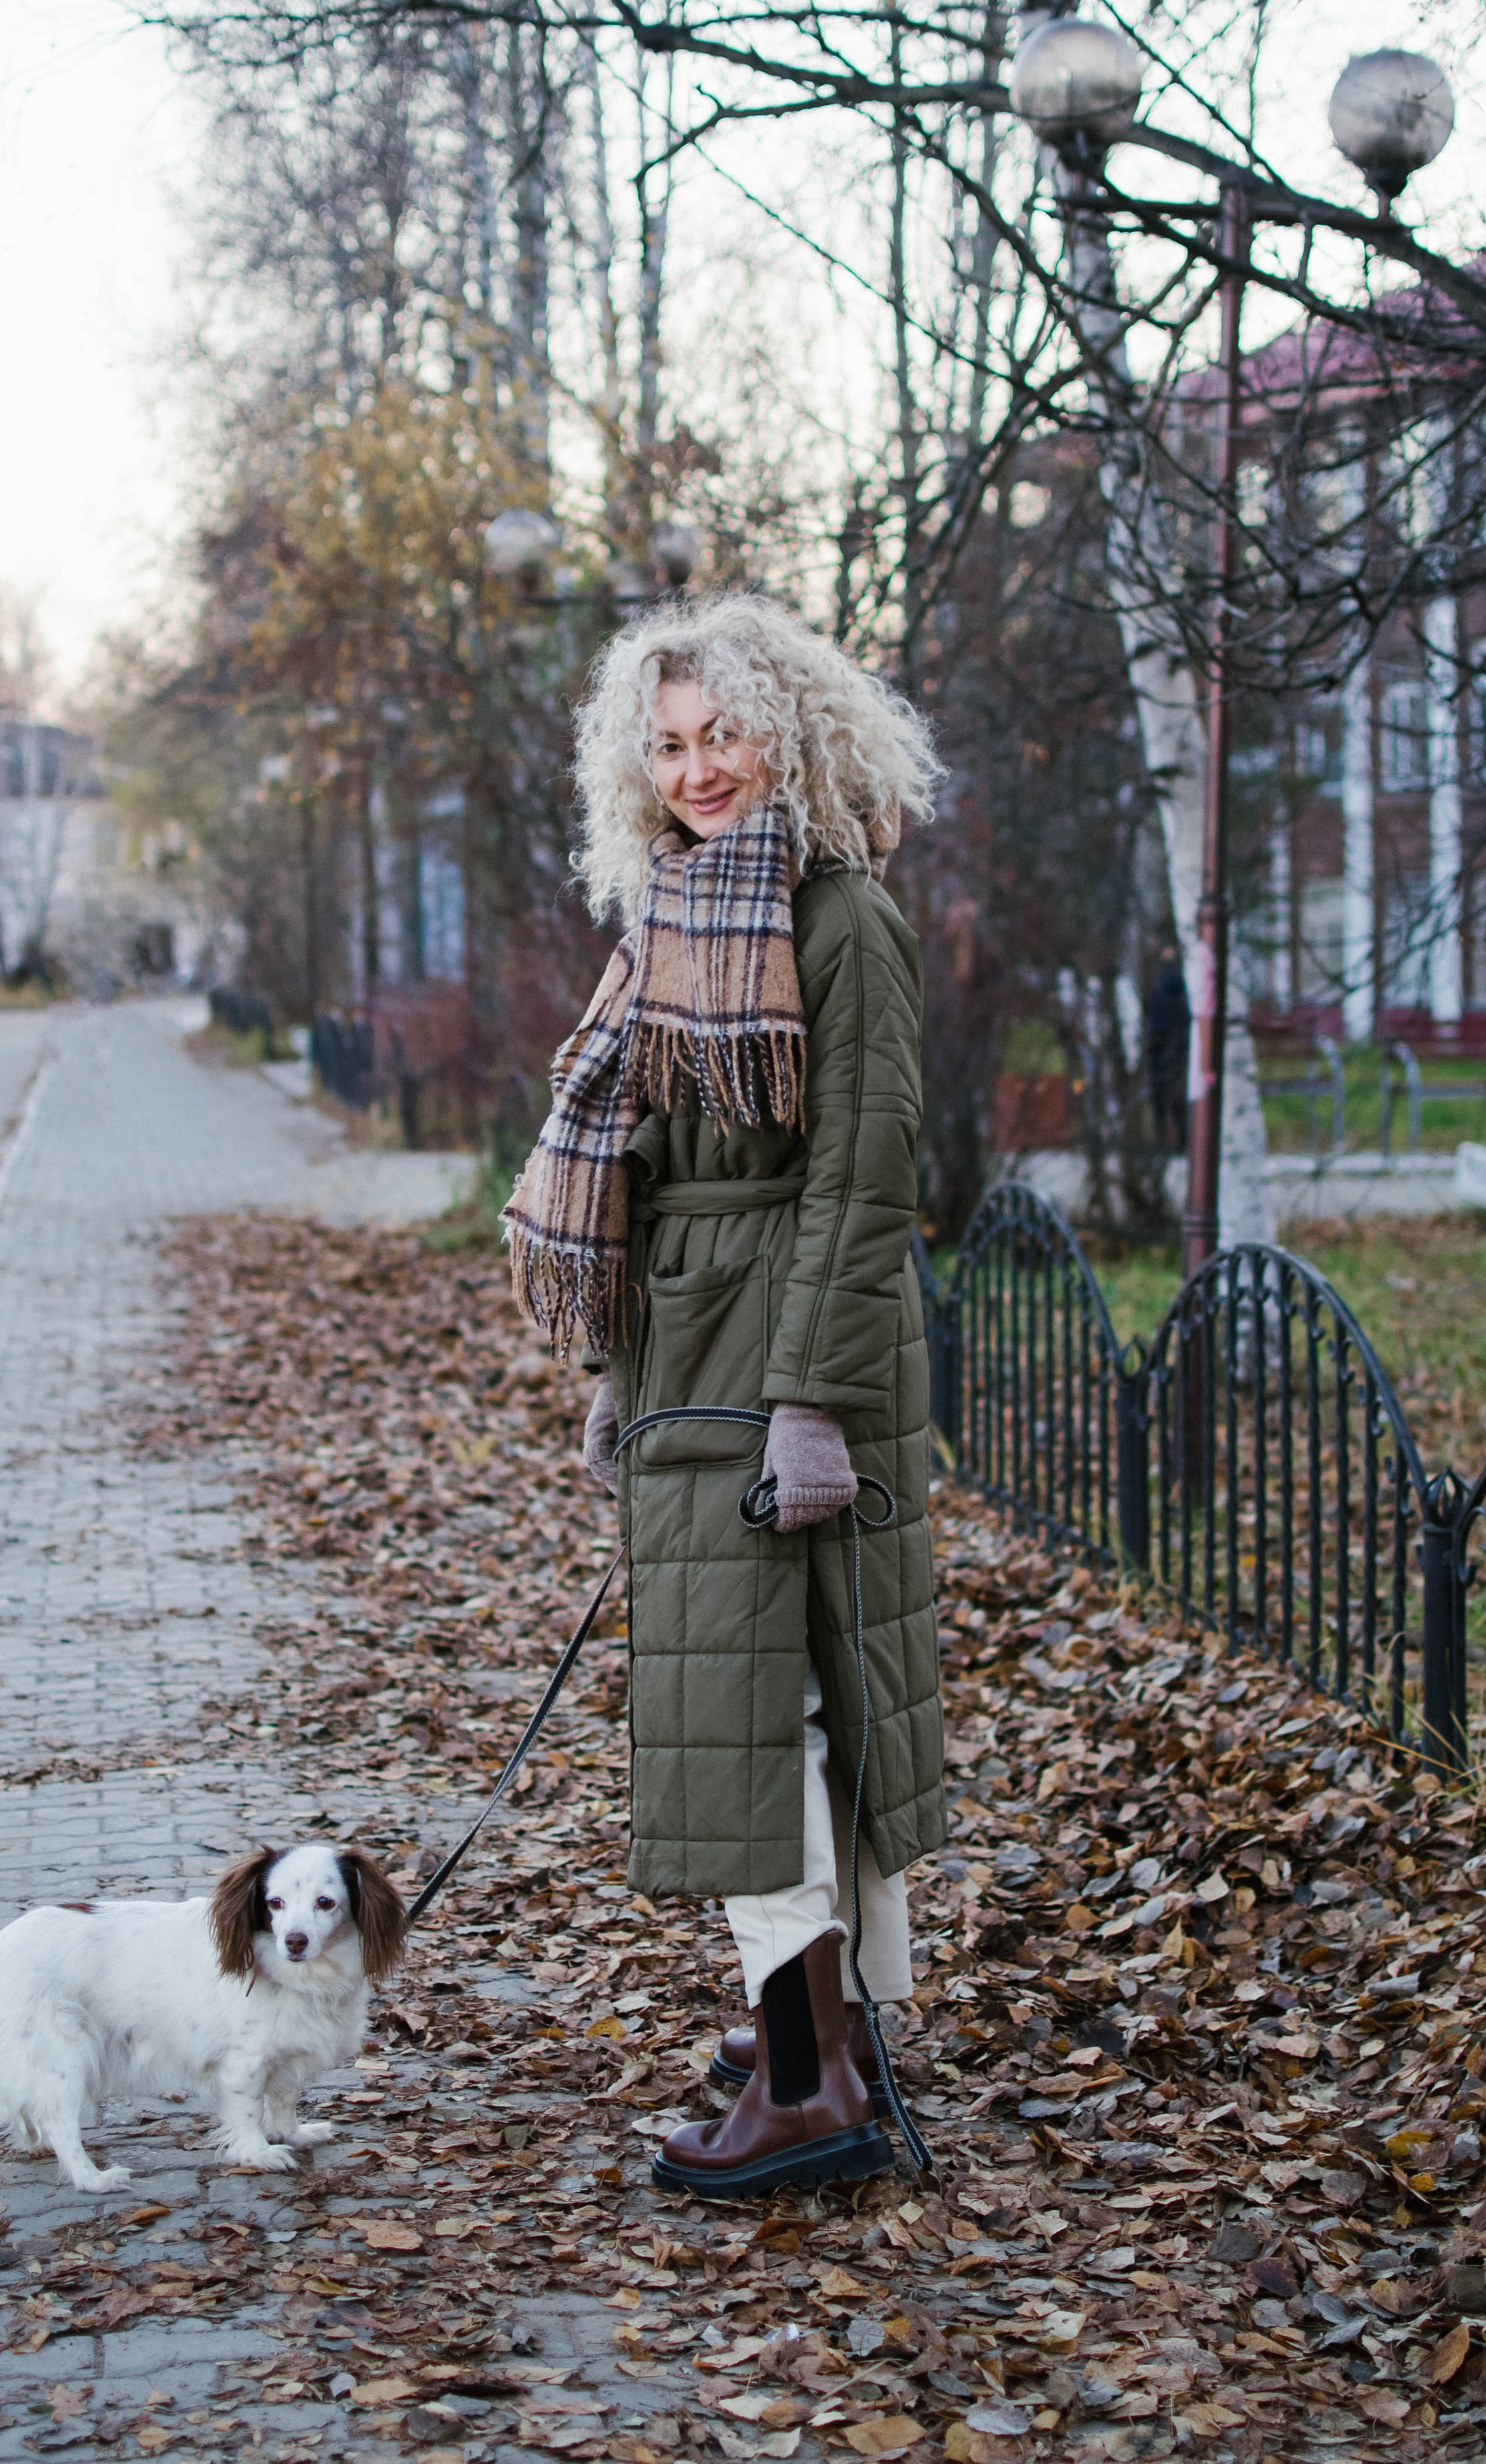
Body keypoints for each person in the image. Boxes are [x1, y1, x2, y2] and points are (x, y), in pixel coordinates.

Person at [504, 593, 946, 2199]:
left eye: (724, 734)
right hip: (695, 1359)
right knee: (760, 1702)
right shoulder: (677, 915)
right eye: (670, 743)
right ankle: (808, 2041)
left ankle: (807, 2074)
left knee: (772, 1709)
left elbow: (859, 1176)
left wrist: (812, 1403)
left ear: (792, 731)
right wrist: (624, 1369)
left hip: (787, 1370)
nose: (697, 766)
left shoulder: (841, 920)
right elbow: (642, 1175)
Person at [1146, 942, 1190, 1151]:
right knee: (1175, 1096)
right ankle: (1179, 1138)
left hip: (1165, 1045)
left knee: (1165, 1096)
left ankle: (1168, 1138)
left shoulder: (1162, 984)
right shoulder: (1181, 985)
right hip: (1175, 1045)